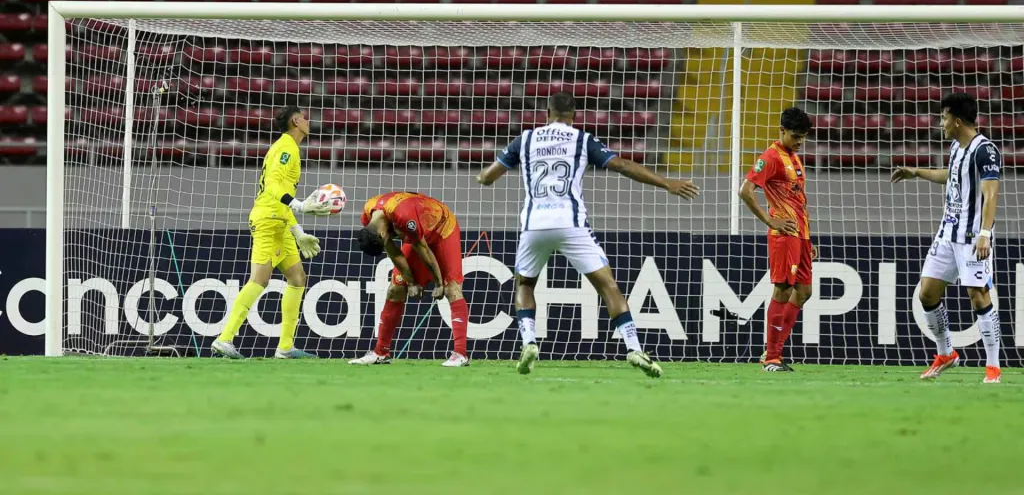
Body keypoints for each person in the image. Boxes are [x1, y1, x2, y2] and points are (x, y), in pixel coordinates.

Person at [476, 91, 699, 377]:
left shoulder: (526, 139)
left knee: (525, 285)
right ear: (575, 115)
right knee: (608, 287)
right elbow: (622, 165)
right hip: (571, 223)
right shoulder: (582, 139)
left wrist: (481, 176)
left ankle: (529, 341)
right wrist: (667, 183)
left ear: (546, 113)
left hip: (535, 224)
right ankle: (633, 347)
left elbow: (489, 177)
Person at [891, 92, 1002, 384]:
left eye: (943, 117)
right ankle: (946, 354)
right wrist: (917, 172)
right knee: (927, 293)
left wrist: (985, 234)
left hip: (972, 237)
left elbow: (991, 194)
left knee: (978, 297)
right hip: (946, 235)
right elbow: (950, 176)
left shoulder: (985, 150)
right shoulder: (956, 148)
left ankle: (993, 366)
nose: (940, 123)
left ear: (956, 119)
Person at [212, 106, 334, 359]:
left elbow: (281, 195)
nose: (308, 122)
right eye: (305, 118)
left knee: (298, 278)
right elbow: (273, 185)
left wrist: (297, 231)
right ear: (296, 121)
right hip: (267, 219)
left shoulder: (289, 147)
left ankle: (285, 347)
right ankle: (225, 339)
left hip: (280, 221)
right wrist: (299, 205)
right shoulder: (286, 147)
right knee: (260, 279)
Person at [349, 192, 470, 367]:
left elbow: (423, 249)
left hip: (442, 230)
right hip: (416, 235)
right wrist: (411, 282)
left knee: (452, 289)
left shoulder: (403, 216)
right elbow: (392, 251)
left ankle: (461, 354)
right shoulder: (368, 216)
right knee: (395, 289)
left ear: (382, 234)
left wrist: (438, 283)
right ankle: (380, 353)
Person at [738, 107, 816, 372]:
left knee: (804, 292)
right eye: (795, 136)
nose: (800, 141)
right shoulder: (770, 157)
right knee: (782, 290)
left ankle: (774, 352)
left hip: (800, 235)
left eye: (803, 137)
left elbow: (796, 199)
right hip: (784, 236)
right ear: (781, 131)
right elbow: (745, 190)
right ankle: (772, 358)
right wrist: (769, 220)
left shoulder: (793, 157)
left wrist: (807, 238)